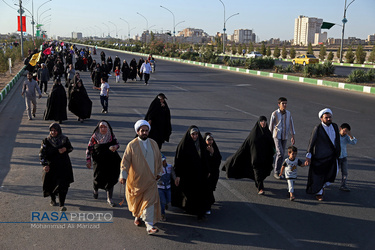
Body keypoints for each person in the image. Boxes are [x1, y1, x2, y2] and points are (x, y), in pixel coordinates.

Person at [119, 120, 163, 235]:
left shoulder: (153, 143)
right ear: (137, 131)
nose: (144, 132)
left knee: (149, 202)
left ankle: (149, 225)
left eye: (146, 131)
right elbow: (125, 162)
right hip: (136, 182)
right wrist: (123, 176)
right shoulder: (132, 145)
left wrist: (159, 172)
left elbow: (158, 159)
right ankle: (137, 216)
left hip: (150, 180)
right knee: (137, 202)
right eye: (142, 130)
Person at [223, 116, 275, 195]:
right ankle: (260, 188)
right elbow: (245, 146)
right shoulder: (253, 135)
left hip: (265, 158)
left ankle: (259, 184)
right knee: (258, 171)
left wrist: (273, 151)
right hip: (256, 158)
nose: (263, 123)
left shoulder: (267, 133)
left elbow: (271, 144)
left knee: (264, 172)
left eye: (265, 121)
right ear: (259, 122)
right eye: (261, 121)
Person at [173, 125, 211, 220]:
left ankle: (200, 212)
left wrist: (207, 170)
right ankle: (190, 208)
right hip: (188, 174)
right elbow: (179, 160)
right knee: (189, 193)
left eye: (196, 134)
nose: (195, 136)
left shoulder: (201, 144)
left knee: (200, 192)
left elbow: (205, 158)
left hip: (199, 173)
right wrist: (178, 175)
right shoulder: (184, 144)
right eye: (193, 134)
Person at [305, 108, 341, 201]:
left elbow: (337, 140)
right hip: (320, 157)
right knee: (319, 175)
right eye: (326, 118)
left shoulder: (335, 126)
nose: (329, 119)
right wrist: (308, 156)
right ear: (321, 118)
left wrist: (338, 152)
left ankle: (323, 185)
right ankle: (319, 192)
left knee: (333, 172)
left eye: (330, 117)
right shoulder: (318, 128)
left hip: (332, 155)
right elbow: (311, 142)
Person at [40, 123, 74, 212]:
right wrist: (45, 165)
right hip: (51, 167)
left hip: (63, 166)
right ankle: (53, 199)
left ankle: (61, 204)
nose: (53, 132)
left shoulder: (64, 139)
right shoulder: (46, 141)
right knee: (52, 184)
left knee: (63, 185)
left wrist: (65, 149)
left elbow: (70, 148)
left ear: (59, 131)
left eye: (55, 130)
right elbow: (42, 154)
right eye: (51, 130)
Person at [86, 120, 121, 207]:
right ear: (98, 128)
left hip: (111, 161)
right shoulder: (94, 137)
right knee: (97, 178)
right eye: (101, 127)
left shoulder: (111, 136)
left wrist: (114, 147)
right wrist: (88, 160)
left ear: (108, 128)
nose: (103, 129)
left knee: (110, 179)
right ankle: (95, 189)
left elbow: (117, 144)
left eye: (105, 127)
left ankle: (109, 198)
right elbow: (89, 148)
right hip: (98, 161)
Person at [269, 97, 295, 180]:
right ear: (279, 104)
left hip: (285, 136)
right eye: (283, 103)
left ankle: (279, 170)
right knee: (280, 153)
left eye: (285, 103)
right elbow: (271, 126)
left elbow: (291, 125)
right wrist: (269, 138)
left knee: (282, 153)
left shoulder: (288, 113)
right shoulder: (274, 114)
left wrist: (292, 136)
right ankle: (276, 172)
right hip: (277, 136)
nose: (284, 105)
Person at [204, 132, 222, 214]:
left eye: (212, 140)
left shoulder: (214, 148)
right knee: (207, 190)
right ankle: (207, 207)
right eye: (208, 140)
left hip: (214, 173)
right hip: (205, 173)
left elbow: (218, 160)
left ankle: (210, 201)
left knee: (210, 189)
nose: (210, 142)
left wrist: (212, 153)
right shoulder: (203, 148)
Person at [338, 123, 357, 192]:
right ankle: (326, 182)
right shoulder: (335, 136)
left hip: (344, 157)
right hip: (336, 157)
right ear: (340, 129)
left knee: (345, 172)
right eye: (344, 130)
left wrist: (350, 135)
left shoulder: (346, 137)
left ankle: (343, 185)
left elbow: (354, 142)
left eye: (347, 131)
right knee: (333, 172)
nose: (345, 132)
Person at [157, 155, 175, 222]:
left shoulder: (169, 167)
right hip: (160, 188)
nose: (163, 162)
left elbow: (173, 174)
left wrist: (175, 179)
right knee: (163, 201)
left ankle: (165, 205)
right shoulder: (157, 168)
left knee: (169, 200)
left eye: (164, 160)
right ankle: (162, 214)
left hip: (168, 187)